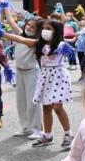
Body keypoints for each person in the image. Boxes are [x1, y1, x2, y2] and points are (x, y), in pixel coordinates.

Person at [7, 20, 74, 148]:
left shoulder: (60, 45)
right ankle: (47, 136)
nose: (45, 31)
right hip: (45, 77)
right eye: (44, 28)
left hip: (58, 77)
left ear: (56, 32)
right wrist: (2, 33)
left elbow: (69, 48)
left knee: (58, 107)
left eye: (49, 29)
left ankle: (69, 134)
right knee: (46, 108)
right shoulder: (39, 44)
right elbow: (20, 39)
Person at [3, 15, 44, 138]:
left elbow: (19, 39)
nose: (29, 28)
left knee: (34, 102)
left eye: (33, 27)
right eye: (28, 25)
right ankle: (26, 127)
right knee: (21, 102)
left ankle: (38, 129)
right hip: (20, 72)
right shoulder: (21, 33)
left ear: (38, 31)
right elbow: (10, 20)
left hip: (32, 72)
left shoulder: (37, 41)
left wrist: (2, 33)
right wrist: (4, 5)